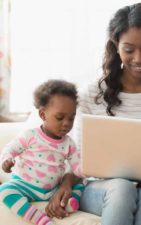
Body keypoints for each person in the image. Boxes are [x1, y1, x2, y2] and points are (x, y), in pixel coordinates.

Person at [45, 3, 141, 225]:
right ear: (116, 46)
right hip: (102, 188)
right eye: (129, 49)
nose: (139, 58)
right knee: (121, 187)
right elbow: (78, 156)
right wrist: (66, 184)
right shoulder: (92, 94)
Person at [0, 80, 84, 225]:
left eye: (71, 118)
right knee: (5, 190)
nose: (66, 123)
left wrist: (89, 169)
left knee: (81, 183)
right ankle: (40, 219)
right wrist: (6, 160)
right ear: (43, 114)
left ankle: (70, 204)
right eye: (60, 117)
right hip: (25, 186)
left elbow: (78, 168)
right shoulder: (30, 136)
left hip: (53, 190)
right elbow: (10, 149)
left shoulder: (69, 143)